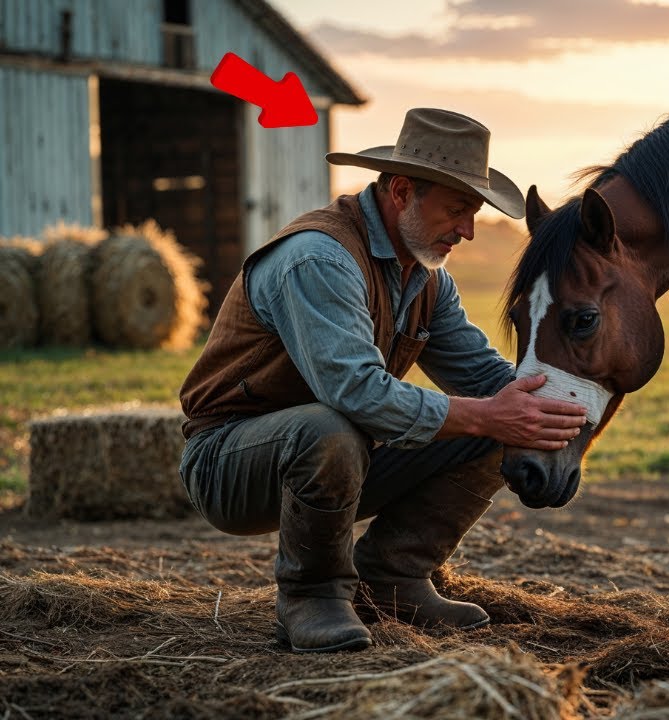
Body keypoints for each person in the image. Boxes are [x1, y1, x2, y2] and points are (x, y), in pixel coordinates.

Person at [178, 108, 588, 653]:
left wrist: (568, 403)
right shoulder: (317, 258)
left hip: (346, 456)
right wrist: (489, 412)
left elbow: (489, 379)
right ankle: (312, 596)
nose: (467, 231)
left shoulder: (427, 280)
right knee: (330, 429)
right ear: (400, 191)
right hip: (232, 462)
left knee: (505, 418)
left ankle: (392, 579)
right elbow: (355, 391)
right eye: (458, 210)